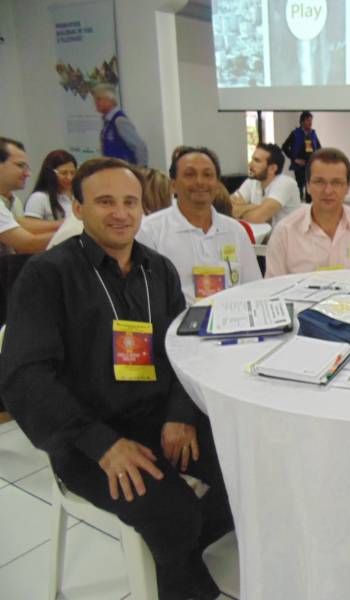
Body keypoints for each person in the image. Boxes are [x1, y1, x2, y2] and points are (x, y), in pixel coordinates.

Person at [0, 157, 233, 600]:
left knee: (243, 469)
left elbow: (180, 350)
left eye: (130, 202)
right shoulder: (48, 275)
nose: (121, 213)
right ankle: (184, 577)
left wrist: (180, 414)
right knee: (174, 513)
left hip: (158, 415)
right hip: (86, 435)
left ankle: (178, 552)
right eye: (105, 202)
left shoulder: (158, 270)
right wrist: (102, 443)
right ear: (78, 208)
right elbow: (25, 377)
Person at [137, 146, 260, 305]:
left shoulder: (235, 231)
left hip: (231, 317)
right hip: (176, 320)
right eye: (190, 174)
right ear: (173, 185)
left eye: (207, 175)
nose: (200, 182)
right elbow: (145, 297)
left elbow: (254, 289)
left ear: (217, 184)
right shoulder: (149, 231)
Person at [265, 147, 350, 276]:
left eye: (336, 183)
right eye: (319, 182)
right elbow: (273, 286)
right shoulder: (284, 232)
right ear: (308, 186)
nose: (328, 191)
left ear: (348, 187)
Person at [0, 137, 58, 255]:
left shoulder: (14, 201)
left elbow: (21, 224)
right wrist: (77, 232)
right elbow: (28, 244)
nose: (28, 173)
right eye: (20, 165)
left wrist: (73, 222)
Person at [231, 142, 301, 225]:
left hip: (285, 233)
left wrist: (241, 211)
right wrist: (250, 207)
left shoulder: (286, 183)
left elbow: (257, 217)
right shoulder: (252, 181)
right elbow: (228, 207)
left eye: (257, 161)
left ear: (272, 168)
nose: (250, 164)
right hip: (262, 232)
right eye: (252, 159)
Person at [93, 83, 148, 166]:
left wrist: (141, 169)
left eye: (99, 99)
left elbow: (140, 146)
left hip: (124, 169)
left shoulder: (119, 121)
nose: (95, 103)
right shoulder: (107, 122)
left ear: (110, 100)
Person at [25, 149, 77, 221]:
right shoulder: (39, 197)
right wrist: (67, 224)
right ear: (50, 173)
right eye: (64, 173)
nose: (69, 177)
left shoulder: (77, 196)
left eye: (73, 173)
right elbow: (30, 225)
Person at [281, 111, 321, 202]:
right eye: (308, 120)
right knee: (299, 187)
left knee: (310, 187)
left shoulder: (313, 133)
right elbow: (284, 147)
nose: (310, 123)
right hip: (299, 166)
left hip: (310, 165)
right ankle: (298, 207)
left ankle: (308, 206)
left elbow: (319, 148)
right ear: (302, 121)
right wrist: (295, 159)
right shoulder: (295, 133)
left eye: (311, 120)